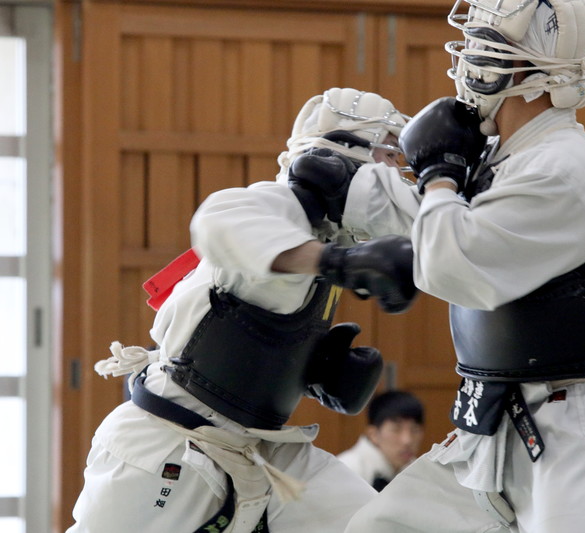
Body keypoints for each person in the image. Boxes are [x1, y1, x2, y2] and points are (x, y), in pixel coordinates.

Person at [299, 1, 585, 531]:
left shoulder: (564, 166)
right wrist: (345, 181)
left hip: (570, 424)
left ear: (522, 68)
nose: (468, 59)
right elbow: (434, 220)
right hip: (495, 413)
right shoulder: (508, 153)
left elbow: (455, 262)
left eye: (483, 43)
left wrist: (438, 175)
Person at [67, 87, 419, 533]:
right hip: (169, 443)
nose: (395, 173)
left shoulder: (322, 238)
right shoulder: (281, 207)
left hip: (262, 447)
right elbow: (216, 220)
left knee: (384, 526)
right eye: (388, 156)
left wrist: (305, 371)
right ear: (339, 160)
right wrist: (336, 263)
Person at [337, 390, 425, 491]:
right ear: (373, 434)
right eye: (396, 430)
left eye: (415, 430)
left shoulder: (418, 471)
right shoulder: (348, 469)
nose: (407, 440)